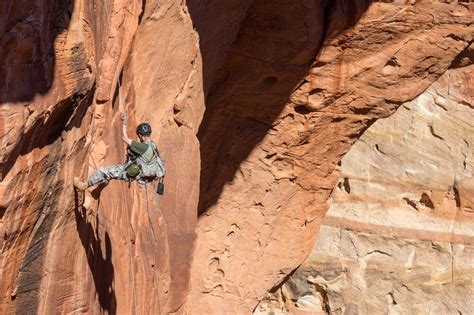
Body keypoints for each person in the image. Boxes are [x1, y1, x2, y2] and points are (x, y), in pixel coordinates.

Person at [73, 114, 165, 191]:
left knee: (102, 171)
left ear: (140, 135)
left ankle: (83, 186)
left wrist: (124, 123)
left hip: (129, 171)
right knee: (111, 172)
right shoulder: (153, 146)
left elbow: (124, 138)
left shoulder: (143, 146)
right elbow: (157, 161)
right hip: (142, 173)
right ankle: (103, 181)